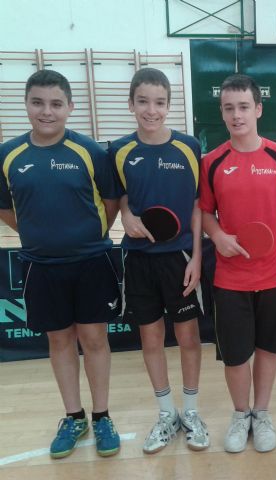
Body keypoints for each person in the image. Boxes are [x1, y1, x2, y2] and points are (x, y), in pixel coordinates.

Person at [0, 70, 121, 458]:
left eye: (55, 104)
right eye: (38, 103)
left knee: (95, 339)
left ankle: (101, 416)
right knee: (59, 340)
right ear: (26, 105)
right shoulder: (8, 155)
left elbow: (111, 202)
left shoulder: (90, 152)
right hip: (41, 265)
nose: (46, 112)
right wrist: (37, 234)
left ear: (70, 107)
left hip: (91, 262)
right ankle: (74, 416)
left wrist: (89, 234)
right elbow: (6, 208)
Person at [199, 74, 276, 453]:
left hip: (274, 274)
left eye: (244, 107)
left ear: (258, 109)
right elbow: (205, 213)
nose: (236, 115)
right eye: (229, 108)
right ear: (222, 113)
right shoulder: (212, 162)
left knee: (268, 349)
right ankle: (240, 413)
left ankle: (261, 413)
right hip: (230, 278)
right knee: (235, 355)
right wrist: (217, 235)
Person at [108, 67, 208, 453]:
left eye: (160, 102)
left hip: (180, 258)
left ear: (169, 106)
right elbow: (120, 198)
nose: (152, 110)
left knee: (188, 337)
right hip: (138, 260)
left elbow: (198, 205)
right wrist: (126, 215)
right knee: (150, 338)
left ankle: (191, 412)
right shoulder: (118, 150)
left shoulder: (189, 147)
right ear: (130, 104)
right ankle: (166, 414)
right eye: (143, 102)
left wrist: (196, 257)